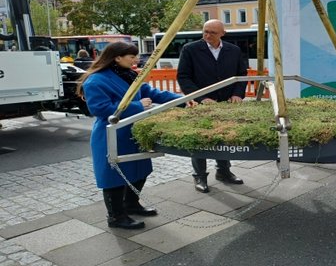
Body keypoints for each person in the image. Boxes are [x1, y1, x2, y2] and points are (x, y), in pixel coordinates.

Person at [78, 42, 193, 229]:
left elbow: (152, 92)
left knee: (139, 171)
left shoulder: (130, 75)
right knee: (114, 177)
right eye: (132, 57)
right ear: (117, 58)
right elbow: (99, 109)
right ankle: (115, 217)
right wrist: (138, 106)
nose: (136, 60)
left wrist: (183, 100)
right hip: (112, 134)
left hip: (133, 131)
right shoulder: (96, 80)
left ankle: (131, 204)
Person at [177, 19, 248, 192]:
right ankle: (199, 176)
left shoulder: (234, 50)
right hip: (200, 105)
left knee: (223, 137)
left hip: (226, 103)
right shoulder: (190, 49)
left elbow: (241, 74)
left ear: (223, 33)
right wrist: (201, 98)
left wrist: (237, 94)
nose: (207, 35)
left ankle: (224, 171)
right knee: (199, 139)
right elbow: (184, 77)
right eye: (205, 31)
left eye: (212, 32)